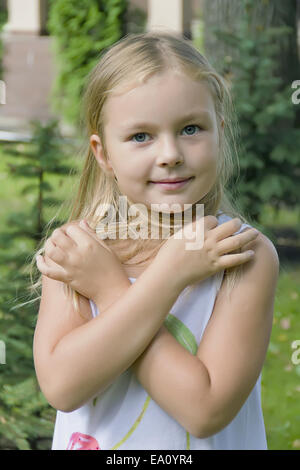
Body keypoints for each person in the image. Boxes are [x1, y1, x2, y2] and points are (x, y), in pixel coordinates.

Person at [32, 31, 279, 450]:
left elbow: (205, 410)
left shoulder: (243, 255)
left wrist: (117, 288)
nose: (170, 154)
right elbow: (62, 387)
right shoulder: (79, 252)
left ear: (219, 133)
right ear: (103, 153)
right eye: (141, 136)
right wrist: (161, 276)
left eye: (190, 128)